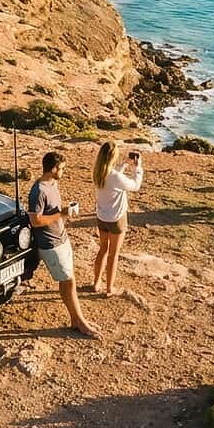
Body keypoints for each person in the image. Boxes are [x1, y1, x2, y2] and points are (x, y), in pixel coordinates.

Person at [27, 151, 101, 338]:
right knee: (67, 280)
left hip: (61, 237)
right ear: (53, 169)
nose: (63, 172)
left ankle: (76, 319)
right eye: (61, 169)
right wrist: (62, 214)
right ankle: (80, 322)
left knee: (69, 280)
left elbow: (54, 211)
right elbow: (35, 221)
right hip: (50, 243)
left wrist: (64, 211)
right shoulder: (38, 191)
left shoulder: (53, 183)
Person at [91, 142, 144, 296]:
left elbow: (114, 177)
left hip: (102, 217)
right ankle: (109, 288)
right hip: (116, 219)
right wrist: (137, 168)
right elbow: (135, 185)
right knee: (113, 254)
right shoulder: (115, 177)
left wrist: (124, 165)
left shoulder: (98, 172)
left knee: (103, 250)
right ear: (113, 157)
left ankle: (96, 283)